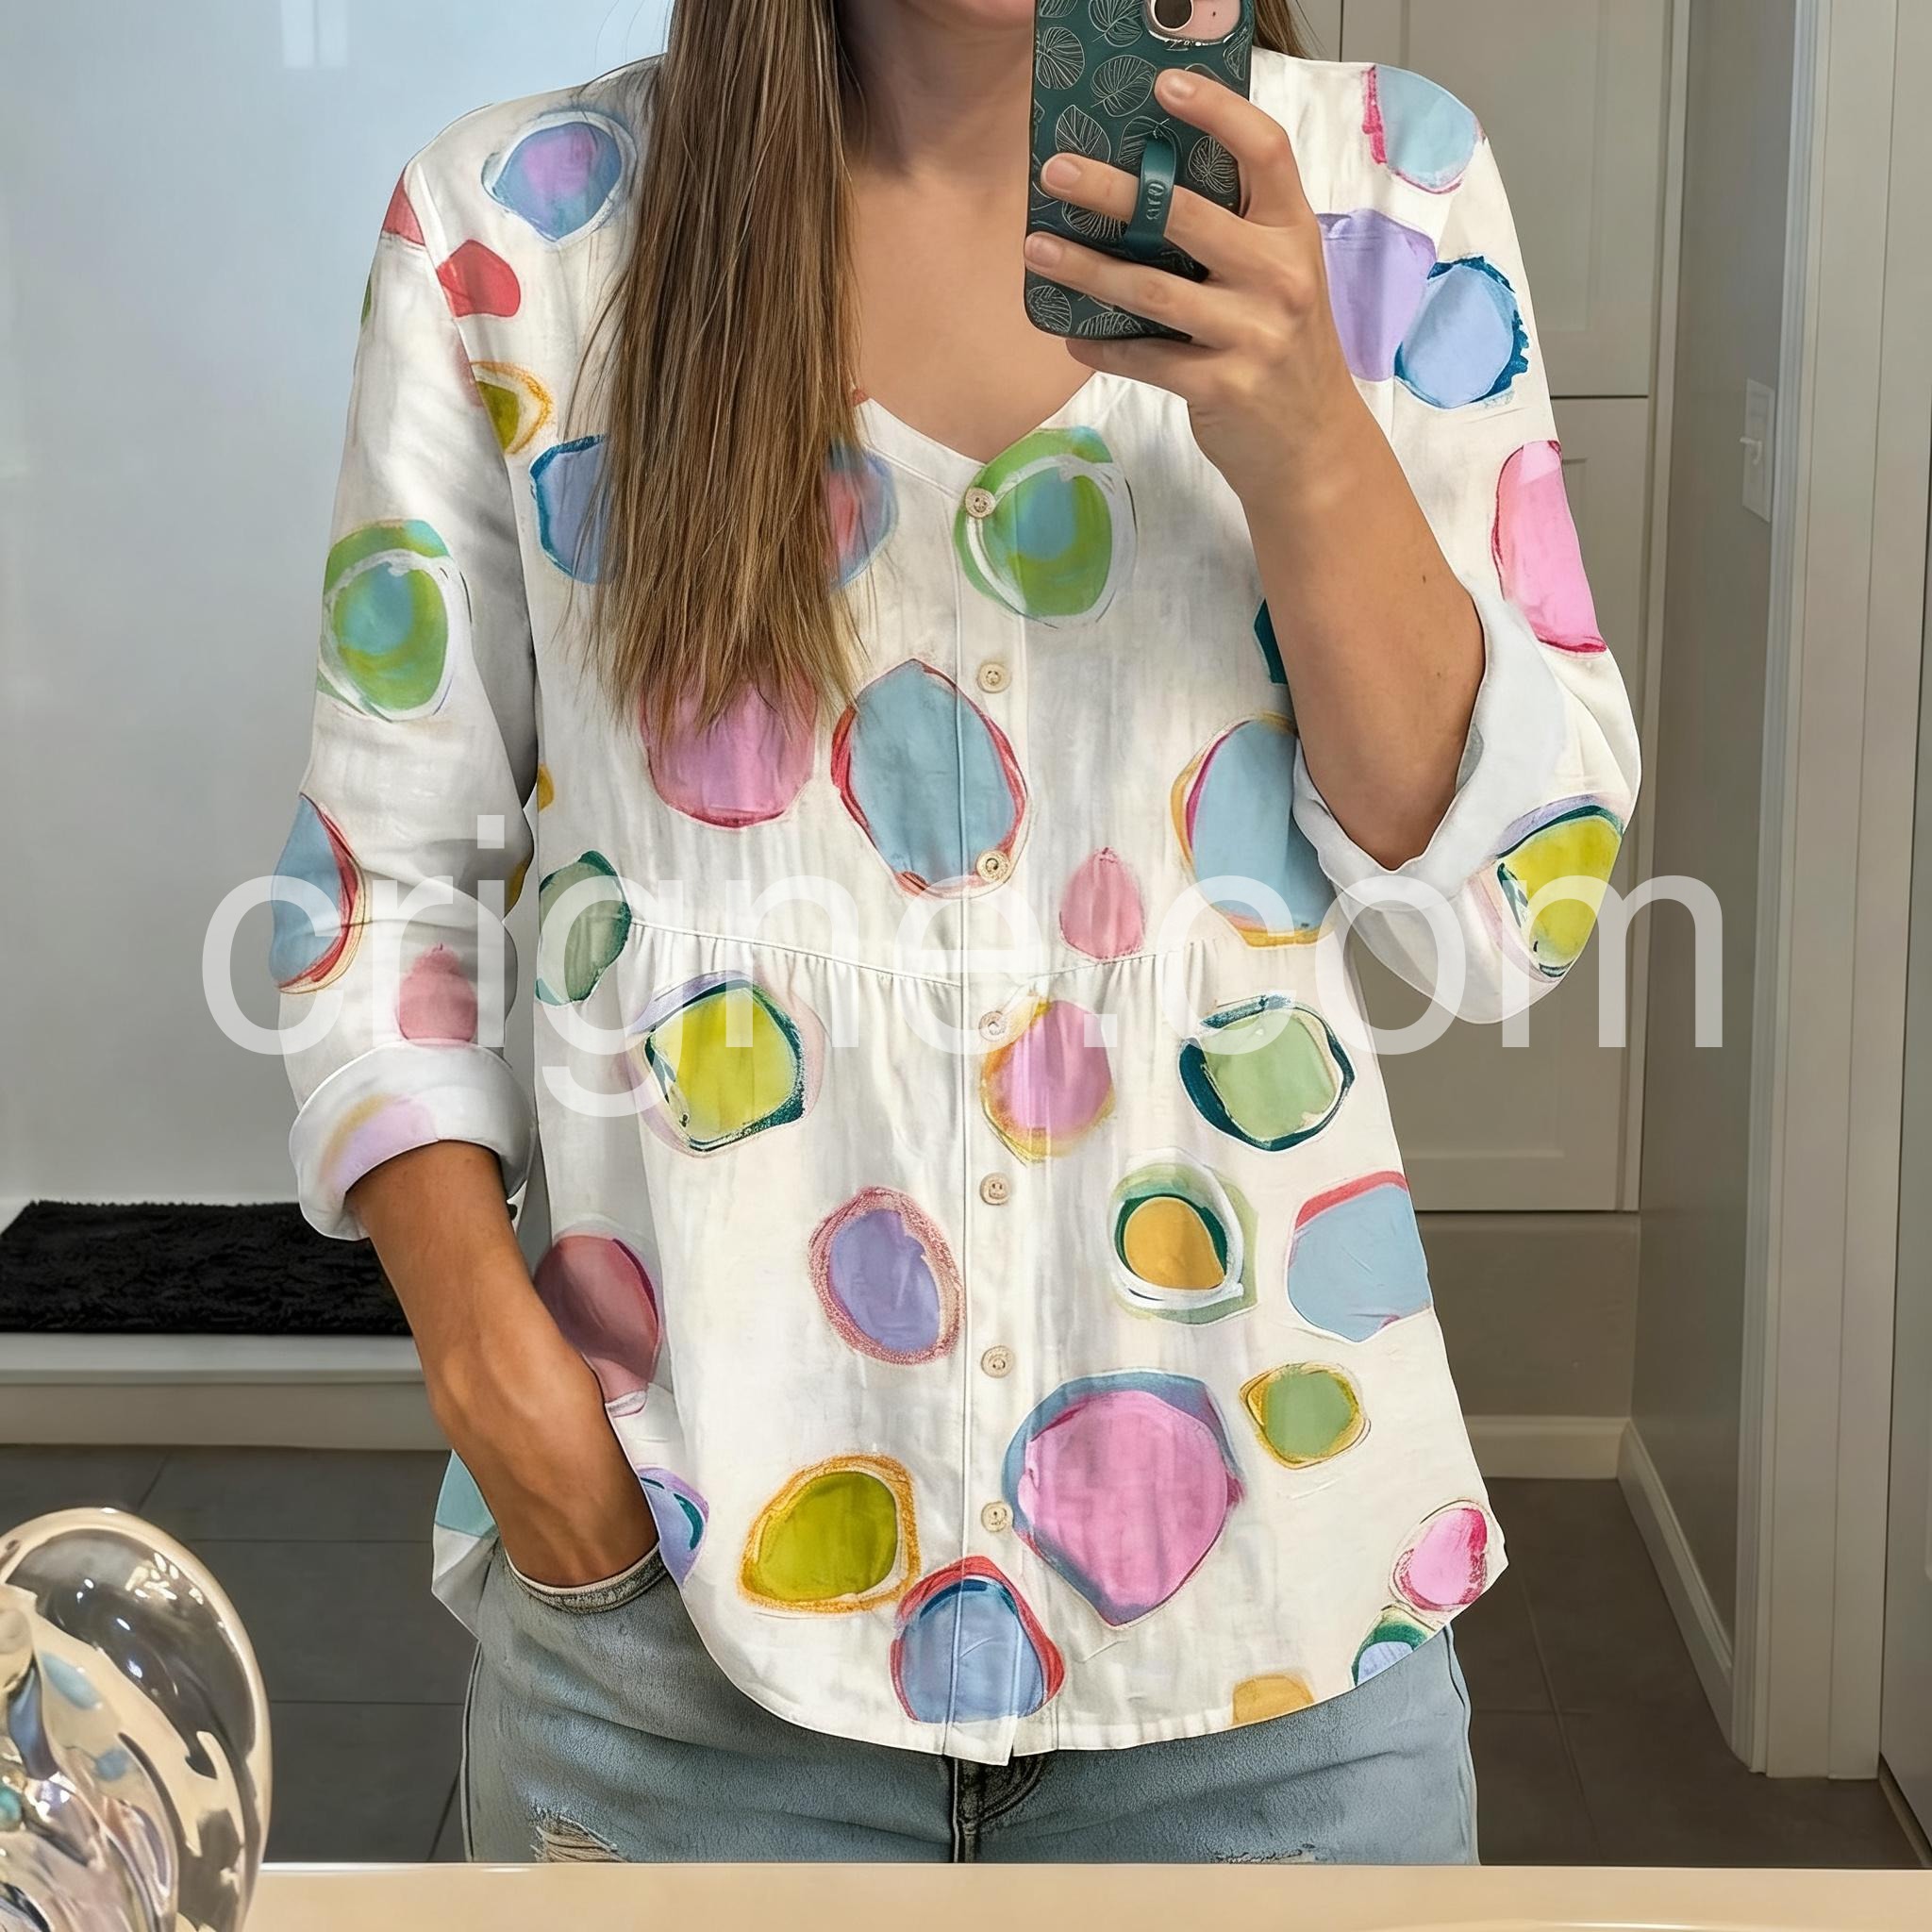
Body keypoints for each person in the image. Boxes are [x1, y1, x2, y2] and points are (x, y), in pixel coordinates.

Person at [271, 0, 1639, 1866]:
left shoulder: (1388, 195)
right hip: (679, 1640)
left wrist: (1312, 444)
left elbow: (1507, 917)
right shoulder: (516, 233)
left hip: (1275, 1658)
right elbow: (377, 888)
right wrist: (513, 1415)